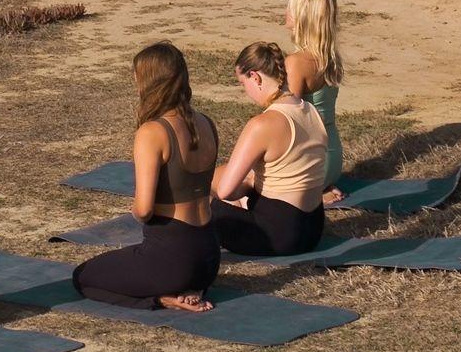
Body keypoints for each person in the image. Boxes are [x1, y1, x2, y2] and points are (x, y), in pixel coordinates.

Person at [72, 42, 220, 312]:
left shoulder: (153, 132)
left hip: (172, 258)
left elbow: (143, 210)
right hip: (209, 258)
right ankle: (185, 287)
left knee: (83, 276)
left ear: (148, 82)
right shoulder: (206, 123)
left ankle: (163, 299)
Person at [212, 41, 327, 256]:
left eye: (242, 83)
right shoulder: (311, 111)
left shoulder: (263, 124)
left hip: (277, 234)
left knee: (207, 201)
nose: (245, 91)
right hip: (313, 229)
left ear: (255, 77)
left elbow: (225, 190)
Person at [284, 0, 346, 201]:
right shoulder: (331, 59)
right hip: (332, 158)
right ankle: (320, 189)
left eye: (291, 9)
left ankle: (310, 194)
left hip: (310, 162)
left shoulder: (296, 63)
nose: (285, 13)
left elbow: (288, 119)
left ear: (304, 17)